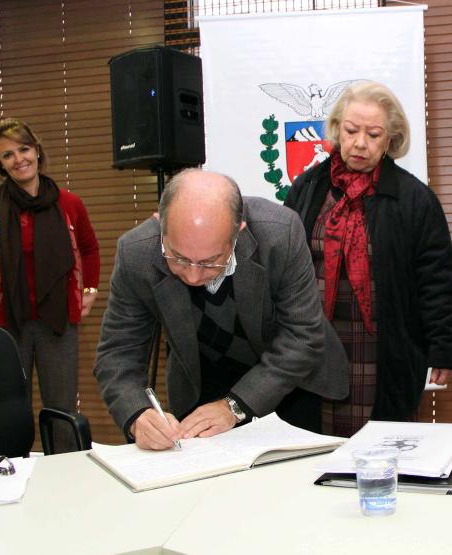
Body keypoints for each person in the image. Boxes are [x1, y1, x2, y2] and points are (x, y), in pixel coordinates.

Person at [94, 169, 348, 450]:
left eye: (209, 262)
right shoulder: (137, 253)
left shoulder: (279, 232)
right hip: (202, 382)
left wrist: (234, 407)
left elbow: (301, 337)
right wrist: (137, 414)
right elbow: (118, 352)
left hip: (288, 381)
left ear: (238, 232)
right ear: (160, 224)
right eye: (178, 258)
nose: (193, 276)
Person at [284, 81, 452, 437]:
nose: (359, 143)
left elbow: (436, 281)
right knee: (312, 448)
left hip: (382, 350)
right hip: (313, 347)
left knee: (380, 449)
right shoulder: (307, 188)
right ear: (337, 129)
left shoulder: (414, 199)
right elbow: (283, 265)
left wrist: (444, 347)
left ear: (390, 140)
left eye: (373, 134)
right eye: (351, 131)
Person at [0, 118, 100, 453]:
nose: (19, 159)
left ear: (37, 151)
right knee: (9, 410)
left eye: (24, 149)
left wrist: (90, 289)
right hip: (7, 324)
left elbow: (89, 248)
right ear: (0, 164)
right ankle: (11, 469)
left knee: (62, 409)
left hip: (58, 322)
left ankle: (64, 470)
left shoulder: (69, 203)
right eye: (8, 155)